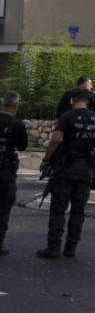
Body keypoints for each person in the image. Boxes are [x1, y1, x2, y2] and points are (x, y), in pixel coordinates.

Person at [38, 88, 95, 259]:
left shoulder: (67, 116)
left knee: (58, 209)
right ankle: (71, 247)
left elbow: (55, 139)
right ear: (88, 102)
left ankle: (53, 248)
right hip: (85, 169)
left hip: (66, 167)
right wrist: (87, 142)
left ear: (72, 102)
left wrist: (46, 159)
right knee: (78, 210)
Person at [0, 91, 28, 257]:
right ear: (16, 105)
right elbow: (23, 146)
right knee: (3, 206)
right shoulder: (17, 124)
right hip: (5, 170)